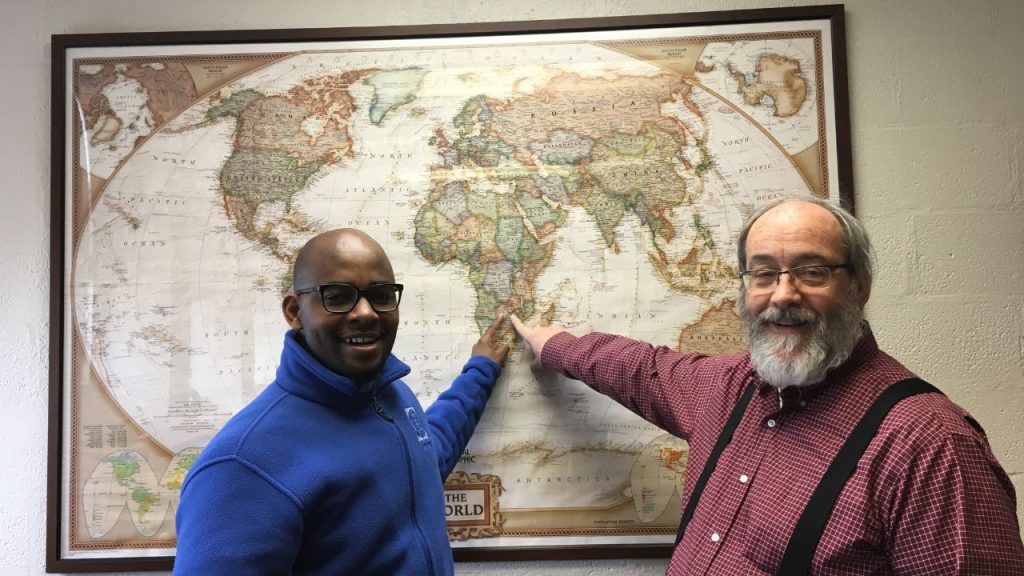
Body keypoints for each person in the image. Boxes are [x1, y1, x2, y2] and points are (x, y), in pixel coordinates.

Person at [511, 196, 1024, 574]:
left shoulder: (929, 445)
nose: (783, 294)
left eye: (812, 271)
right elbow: (640, 369)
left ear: (860, 285)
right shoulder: (729, 387)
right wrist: (554, 344)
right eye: (763, 274)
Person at [174, 228, 510, 575]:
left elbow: (425, 455)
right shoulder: (241, 466)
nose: (365, 312)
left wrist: (481, 371)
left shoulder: (388, 395)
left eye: (380, 295)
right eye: (337, 296)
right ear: (295, 311)